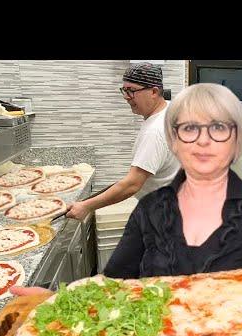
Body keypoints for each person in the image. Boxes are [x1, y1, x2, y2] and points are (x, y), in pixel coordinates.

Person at [13, 83, 242, 336]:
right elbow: (112, 284)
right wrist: (56, 301)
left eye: (218, 129)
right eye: (189, 129)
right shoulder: (151, 210)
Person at [65, 62, 180, 221]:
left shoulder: (155, 131)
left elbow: (132, 184)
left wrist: (86, 206)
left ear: (154, 91)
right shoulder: (170, 108)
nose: (126, 97)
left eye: (131, 91)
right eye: (124, 90)